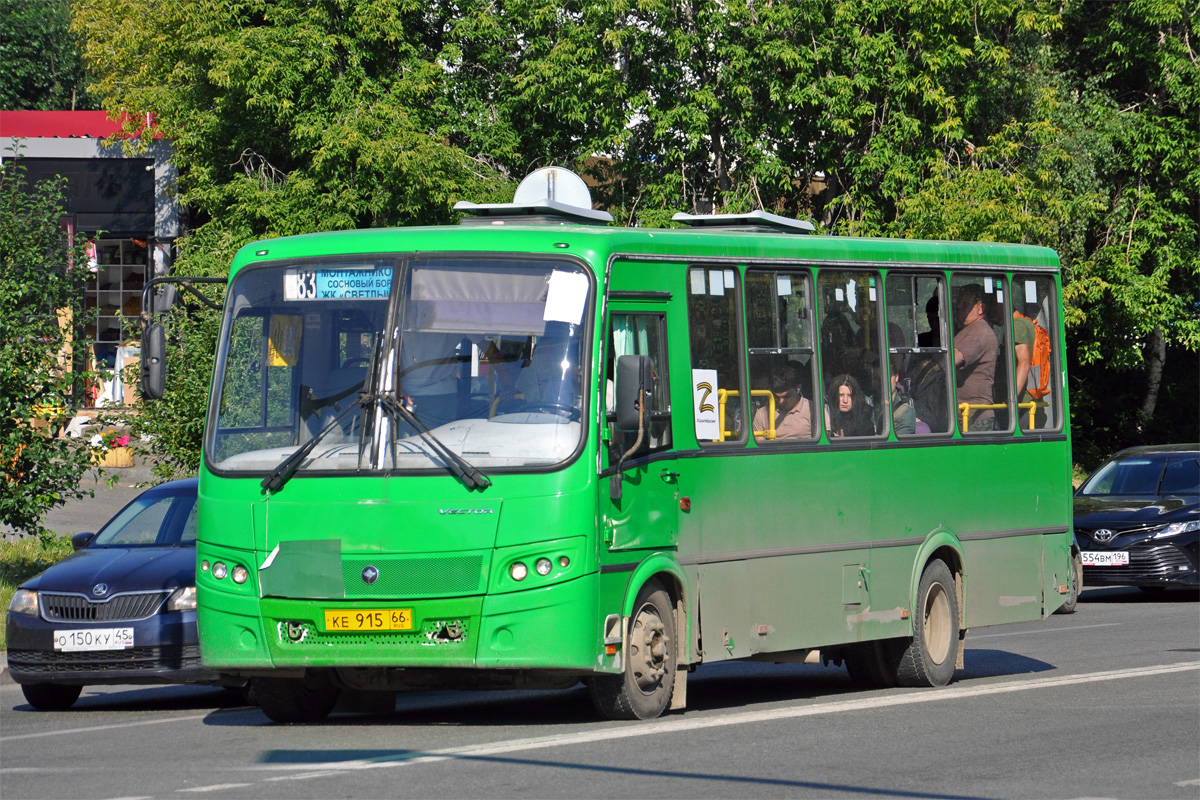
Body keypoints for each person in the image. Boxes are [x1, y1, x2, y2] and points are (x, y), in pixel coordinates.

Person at [952, 284, 998, 431]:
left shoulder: (979, 332)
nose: (959, 307)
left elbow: (954, 358)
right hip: (963, 414)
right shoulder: (967, 330)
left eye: (965, 304)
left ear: (980, 308)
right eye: (959, 302)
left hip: (974, 416)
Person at [753, 363, 813, 441]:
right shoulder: (763, 413)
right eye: (776, 397)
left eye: (786, 397)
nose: (781, 402)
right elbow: (760, 448)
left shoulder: (813, 411)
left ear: (798, 388)